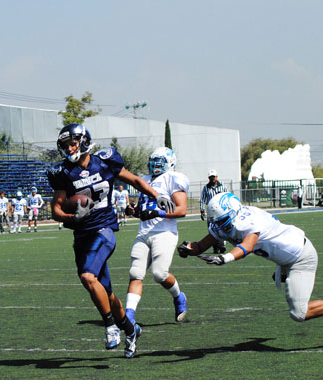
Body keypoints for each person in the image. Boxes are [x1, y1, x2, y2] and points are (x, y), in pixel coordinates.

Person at [47, 123, 173, 358]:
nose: (69, 148)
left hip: (104, 230)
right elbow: (56, 209)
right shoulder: (62, 172)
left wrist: (157, 196)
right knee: (104, 291)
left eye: (72, 143)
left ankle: (110, 326)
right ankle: (130, 329)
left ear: (84, 141)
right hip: (82, 235)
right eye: (65, 145)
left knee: (88, 276)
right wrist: (71, 217)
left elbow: (134, 180)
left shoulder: (105, 160)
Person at [178, 192, 323, 333]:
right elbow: (202, 245)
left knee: (299, 313)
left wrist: (224, 258)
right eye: (216, 222)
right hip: (284, 258)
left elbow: (247, 247)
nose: (219, 226)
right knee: (285, 284)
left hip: (301, 258)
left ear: (234, 215)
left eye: (222, 221)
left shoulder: (248, 220)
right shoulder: (230, 220)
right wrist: (188, 248)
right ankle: (285, 276)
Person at [124, 147, 189, 326]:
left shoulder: (173, 178)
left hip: (164, 232)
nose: (155, 165)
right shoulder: (144, 180)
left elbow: (181, 210)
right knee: (135, 273)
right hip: (144, 232)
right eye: (153, 161)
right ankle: (129, 316)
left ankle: (178, 296)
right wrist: (133, 211)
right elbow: (143, 210)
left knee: (160, 274)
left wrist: (156, 213)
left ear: (169, 163)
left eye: (159, 162)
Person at [200, 169, 228, 253]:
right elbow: (202, 199)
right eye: (211, 177)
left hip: (221, 211)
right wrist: (202, 210)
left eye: (214, 177)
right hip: (210, 211)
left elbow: (226, 196)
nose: (212, 179)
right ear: (209, 178)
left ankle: (222, 245)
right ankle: (215, 247)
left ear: (217, 177)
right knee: (211, 229)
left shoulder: (222, 186)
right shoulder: (206, 188)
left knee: (222, 227)